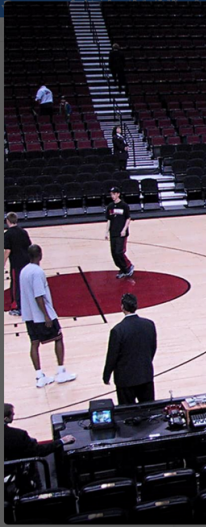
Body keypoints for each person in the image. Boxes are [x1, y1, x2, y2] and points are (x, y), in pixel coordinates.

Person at [20, 245, 76, 388]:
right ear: (40, 255)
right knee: (58, 338)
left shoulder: (24, 271)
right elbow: (39, 295)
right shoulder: (37, 272)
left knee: (34, 343)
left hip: (28, 315)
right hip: (40, 315)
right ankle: (61, 371)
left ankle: (39, 376)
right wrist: (46, 316)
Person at [5, 403, 74, 498]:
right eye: (12, 414)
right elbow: (38, 451)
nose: (14, 415)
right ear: (6, 419)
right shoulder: (18, 435)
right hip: (13, 477)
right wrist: (62, 441)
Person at [103, 293, 158, 405]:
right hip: (145, 375)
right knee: (149, 411)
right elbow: (153, 347)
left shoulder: (118, 330)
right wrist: (145, 362)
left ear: (122, 307)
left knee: (127, 414)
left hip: (125, 380)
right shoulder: (149, 324)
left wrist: (106, 375)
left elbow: (112, 356)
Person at [5, 213, 31, 317]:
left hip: (16, 263)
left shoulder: (7, 234)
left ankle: (16, 307)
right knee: (26, 284)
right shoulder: (23, 232)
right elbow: (29, 247)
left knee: (16, 285)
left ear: (8, 221)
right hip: (26, 262)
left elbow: (7, 251)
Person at [105, 186, 134, 279]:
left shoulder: (124, 206)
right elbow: (109, 220)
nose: (112, 196)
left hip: (121, 233)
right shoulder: (110, 206)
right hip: (113, 233)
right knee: (113, 253)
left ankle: (128, 266)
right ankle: (122, 269)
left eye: (114, 194)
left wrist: (124, 229)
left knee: (119, 252)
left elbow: (128, 218)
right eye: (111, 194)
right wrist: (106, 232)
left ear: (118, 194)